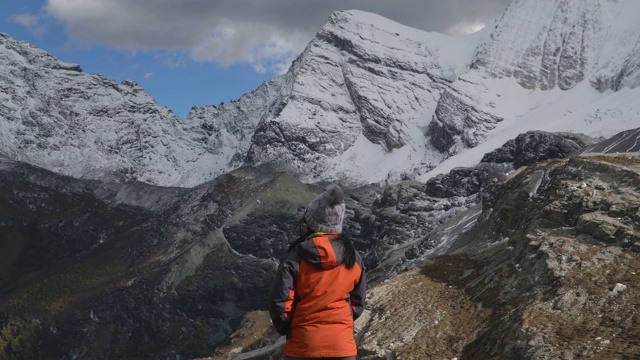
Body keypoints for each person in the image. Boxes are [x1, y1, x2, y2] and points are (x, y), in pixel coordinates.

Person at [268, 184, 366, 360]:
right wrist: (342, 324)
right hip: (342, 347)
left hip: (303, 346)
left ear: (310, 223)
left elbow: (280, 303)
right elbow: (358, 302)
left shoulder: (295, 258)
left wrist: (289, 329)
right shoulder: (353, 257)